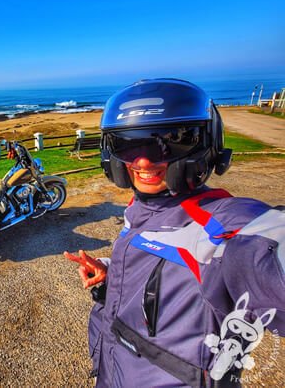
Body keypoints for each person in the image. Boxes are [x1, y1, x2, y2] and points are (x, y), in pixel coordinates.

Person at [65, 79, 285, 387]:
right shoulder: (140, 206)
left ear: (206, 145)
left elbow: (263, 244)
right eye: (128, 144)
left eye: (167, 142)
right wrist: (111, 271)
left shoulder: (220, 226)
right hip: (114, 371)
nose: (142, 161)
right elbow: (164, 264)